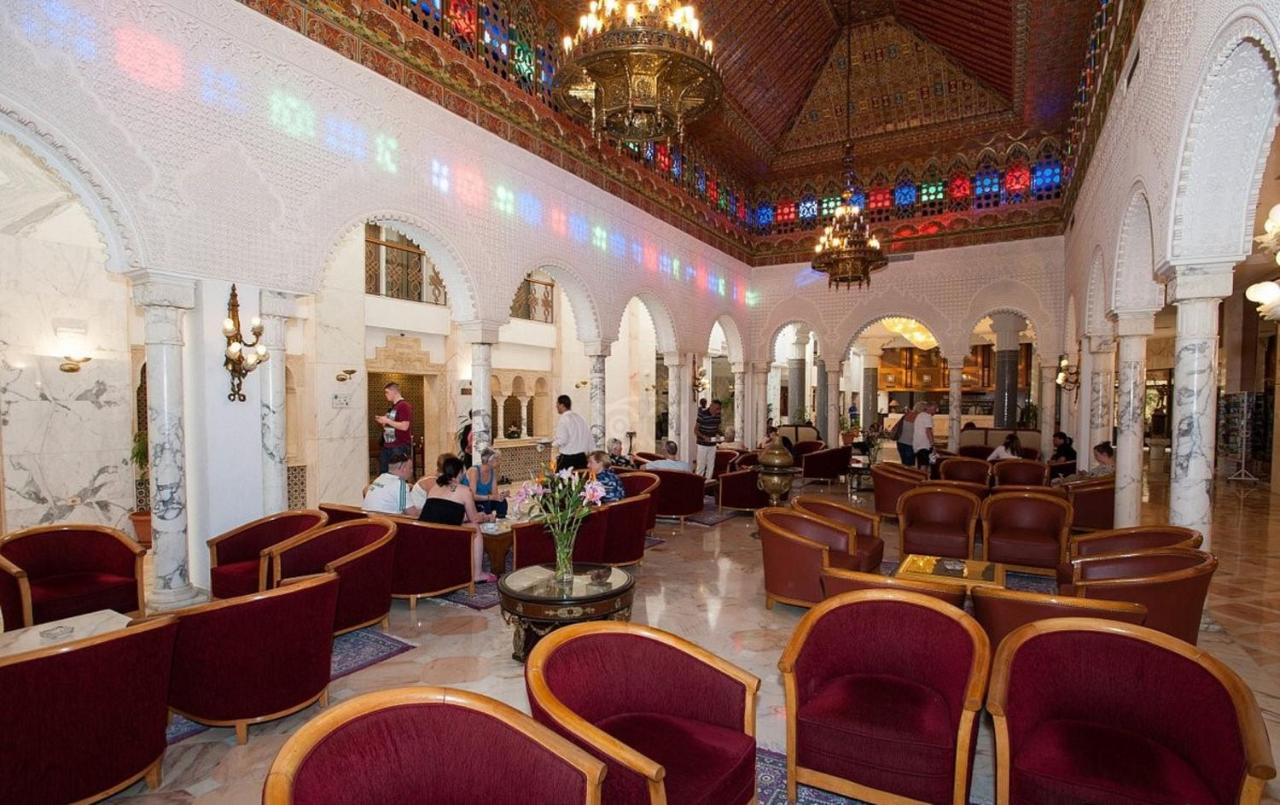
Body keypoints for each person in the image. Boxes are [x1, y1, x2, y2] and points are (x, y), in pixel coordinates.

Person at [419, 456, 496, 583]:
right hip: (444, 536)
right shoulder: (464, 490)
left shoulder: (435, 487)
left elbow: (444, 512)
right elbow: (474, 518)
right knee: (475, 528)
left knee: (469, 524)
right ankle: (477, 574)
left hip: (425, 534)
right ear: (460, 472)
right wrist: (486, 517)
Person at [363, 448, 419, 517]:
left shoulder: (380, 478)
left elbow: (365, 490)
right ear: (403, 468)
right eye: (410, 468)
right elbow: (412, 514)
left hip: (368, 519)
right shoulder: (400, 484)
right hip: (386, 522)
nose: (412, 471)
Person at [374, 382, 412, 474]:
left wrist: (387, 421)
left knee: (397, 474)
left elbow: (404, 426)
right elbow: (392, 424)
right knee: (384, 474)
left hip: (399, 446)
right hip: (388, 445)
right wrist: (383, 421)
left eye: (387, 392)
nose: (385, 395)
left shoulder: (403, 405)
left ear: (394, 391)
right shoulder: (393, 407)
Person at [552, 394, 593, 471]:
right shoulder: (579, 418)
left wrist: (551, 444)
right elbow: (589, 436)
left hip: (568, 458)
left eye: (557, 404)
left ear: (562, 405)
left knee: (562, 478)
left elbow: (563, 439)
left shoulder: (564, 419)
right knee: (581, 478)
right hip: (581, 458)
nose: (556, 406)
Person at [463, 447, 508, 517]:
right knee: (486, 506)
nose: (499, 462)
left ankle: (500, 518)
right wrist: (490, 497)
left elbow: (495, 494)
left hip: (484, 500)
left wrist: (502, 495)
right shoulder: (474, 471)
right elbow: (472, 496)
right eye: (497, 460)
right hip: (470, 502)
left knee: (502, 502)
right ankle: (486, 519)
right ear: (490, 461)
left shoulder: (492, 472)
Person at [695, 399, 723, 480]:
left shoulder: (718, 415)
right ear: (711, 406)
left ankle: (708, 483)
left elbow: (717, 428)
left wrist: (719, 434)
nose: (717, 411)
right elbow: (695, 430)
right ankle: (698, 483)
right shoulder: (702, 414)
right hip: (702, 444)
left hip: (712, 444)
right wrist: (704, 437)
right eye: (716, 409)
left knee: (711, 465)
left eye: (719, 409)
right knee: (701, 466)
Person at [912, 401, 937, 468]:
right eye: (934, 409)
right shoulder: (927, 416)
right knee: (924, 466)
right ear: (929, 408)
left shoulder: (920, 415)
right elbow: (928, 431)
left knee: (920, 465)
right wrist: (932, 445)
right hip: (924, 446)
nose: (935, 411)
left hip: (918, 445)